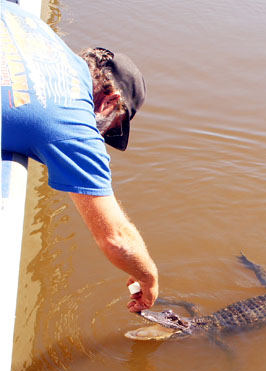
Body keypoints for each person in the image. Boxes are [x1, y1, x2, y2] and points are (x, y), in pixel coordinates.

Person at [1, 1, 158, 312]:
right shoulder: (75, 125)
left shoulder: (40, 34)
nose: (101, 134)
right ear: (111, 100)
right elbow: (116, 239)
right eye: (113, 125)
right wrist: (149, 278)